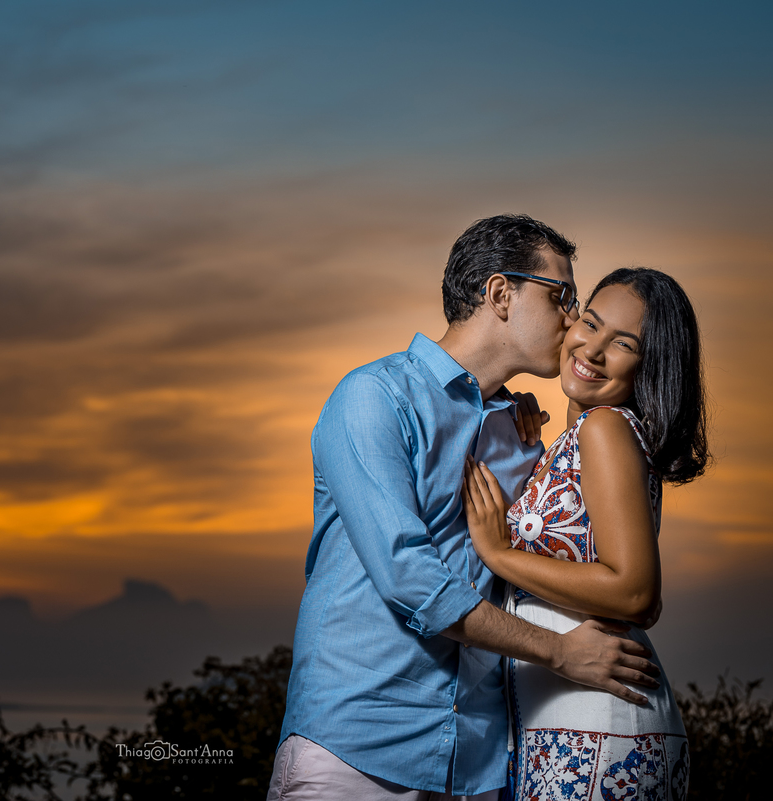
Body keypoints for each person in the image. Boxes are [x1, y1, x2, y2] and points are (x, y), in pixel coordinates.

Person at [269, 215, 661, 801]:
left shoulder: (522, 432)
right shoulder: (374, 397)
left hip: (479, 765)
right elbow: (410, 578)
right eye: (562, 297)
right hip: (358, 747)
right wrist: (560, 652)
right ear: (501, 294)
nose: (573, 319)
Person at [462, 267, 708, 800]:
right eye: (589, 323)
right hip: (565, 725)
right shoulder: (581, 437)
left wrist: (498, 553)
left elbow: (637, 594)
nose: (592, 350)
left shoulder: (606, 429)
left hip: (601, 727)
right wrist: (521, 431)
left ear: (650, 367)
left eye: (622, 343)